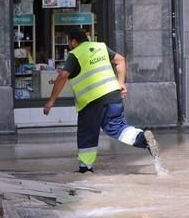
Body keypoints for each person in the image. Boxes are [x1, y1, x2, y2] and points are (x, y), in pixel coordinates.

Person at [43, 26, 160, 173]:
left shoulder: (75, 54)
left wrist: (51, 101)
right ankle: (142, 137)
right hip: (112, 96)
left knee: (87, 134)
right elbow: (120, 60)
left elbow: (62, 76)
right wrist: (121, 83)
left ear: (73, 41)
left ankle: (85, 168)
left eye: (69, 41)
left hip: (91, 102)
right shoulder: (101, 47)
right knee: (117, 127)